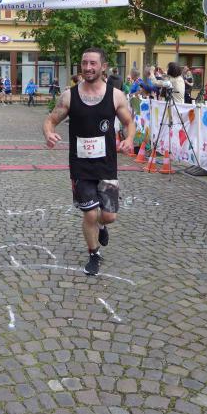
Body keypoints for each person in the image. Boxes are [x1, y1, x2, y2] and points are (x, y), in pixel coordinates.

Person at [43, 48, 135, 276]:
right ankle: (94, 254)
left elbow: (128, 122)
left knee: (109, 216)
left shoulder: (115, 96)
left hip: (107, 165)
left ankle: (102, 226)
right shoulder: (70, 96)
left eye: (93, 63)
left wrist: (129, 139)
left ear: (103, 66)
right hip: (80, 166)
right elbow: (51, 119)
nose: (88, 67)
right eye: (84, 63)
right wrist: (48, 133)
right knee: (90, 214)